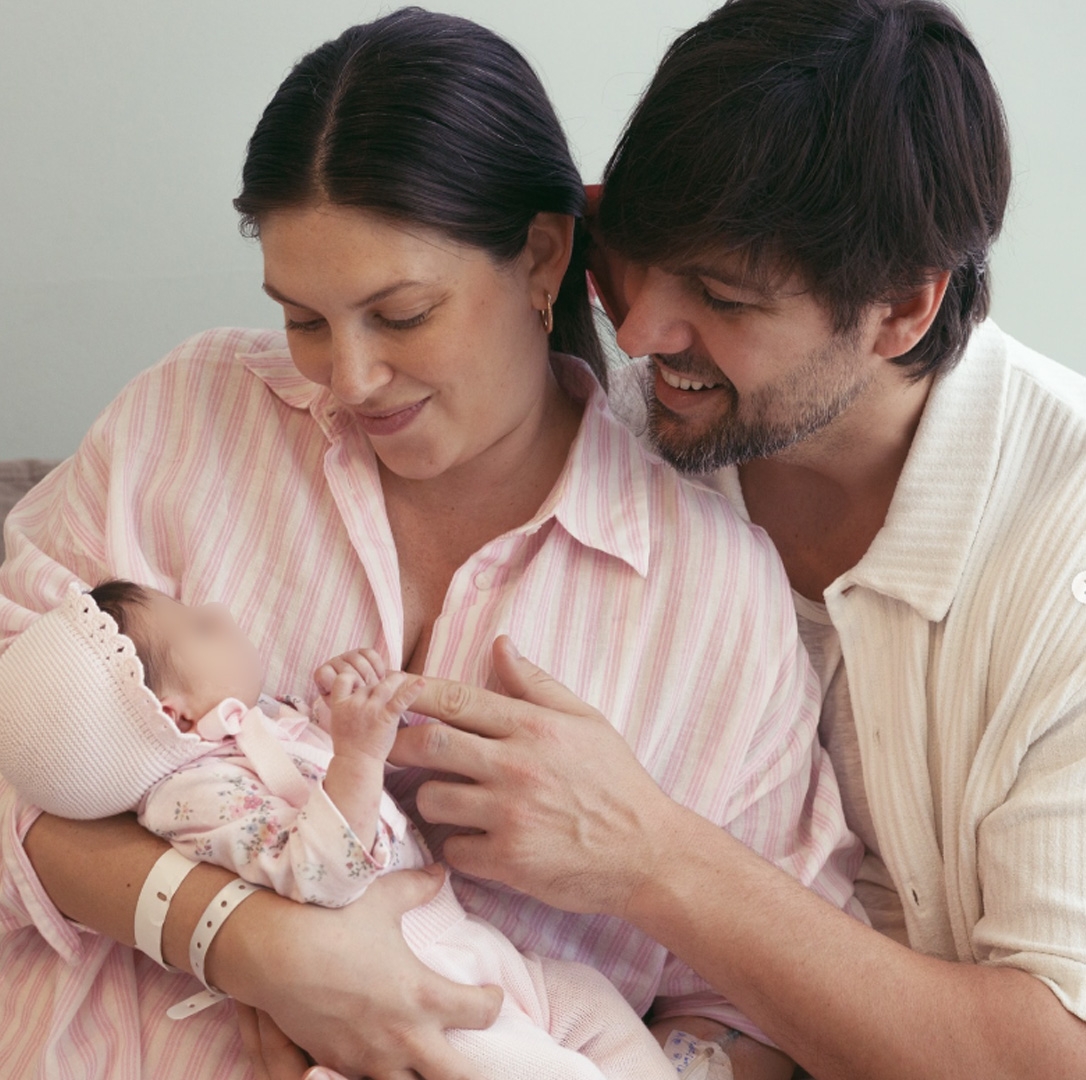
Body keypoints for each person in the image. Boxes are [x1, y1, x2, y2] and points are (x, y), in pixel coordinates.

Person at [0, 8, 861, 1080]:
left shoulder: (708, 593)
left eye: (400, 316)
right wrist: (250, 942)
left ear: (543, 258)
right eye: (304, 319)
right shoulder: (188, 415)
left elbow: (756, 1010)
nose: (347, 379)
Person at [371, 1, 1086, 1078]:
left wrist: (649, 854)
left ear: (900, 310)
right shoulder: (594, 436)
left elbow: (1049, 1053)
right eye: (629, 258)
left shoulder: (1062, 555)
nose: (642, 331)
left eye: (721, 295)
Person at [0, 579, 680, 1080]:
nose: (219, 609)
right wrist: (358, 753)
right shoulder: (192, 799)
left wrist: (338, 712)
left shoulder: (256, 733)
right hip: (402, 988)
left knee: (587, 1001)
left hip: (462, 945)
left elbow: (319, 787)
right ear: (175, 718)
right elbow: (318, 874)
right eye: (198, 630)